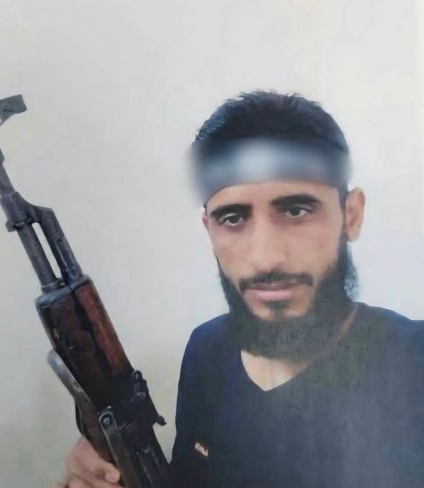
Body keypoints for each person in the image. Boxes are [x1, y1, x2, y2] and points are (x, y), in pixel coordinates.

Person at [57, 91, 424, 488]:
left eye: (296, 210)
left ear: (351, 216)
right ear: (209, 230)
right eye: (232, 218)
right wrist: (112, 472)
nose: (265, 259)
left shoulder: (413, 365)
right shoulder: (207, 350)